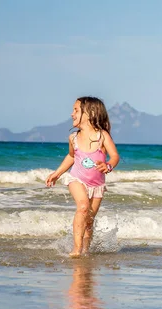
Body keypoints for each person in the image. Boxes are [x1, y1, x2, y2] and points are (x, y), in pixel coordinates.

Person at [46, 96, 120, 258]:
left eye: (76, 110)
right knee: (83, 207)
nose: (72, 114)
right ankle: (76, 249)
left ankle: (85, 250)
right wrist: (57, 173)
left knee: (89, 221)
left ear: (90, 113)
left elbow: (115, 156)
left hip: (97, 185)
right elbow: (71, 157)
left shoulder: (103, 136)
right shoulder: (73, 138)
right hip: (77, 179)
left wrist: (108, 165)